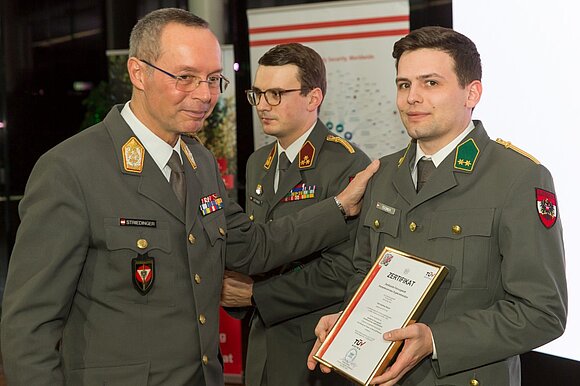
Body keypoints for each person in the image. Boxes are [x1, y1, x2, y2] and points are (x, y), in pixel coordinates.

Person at [0, 8, 379, 386]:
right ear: (138, 73)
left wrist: (338, 207)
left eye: (214, 79)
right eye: (186, 78)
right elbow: (29, 324)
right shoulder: (72, 169)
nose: (205, 95)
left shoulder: (198, 161)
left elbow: (252, 246)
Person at [307, 26, 567, 386]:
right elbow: (364, 272)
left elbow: (543, 312)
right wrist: (349, 320)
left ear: (471, 92)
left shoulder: (518, 177)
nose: (412, 98)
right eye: (403, 84)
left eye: (430, 83)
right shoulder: (383, 174)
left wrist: (436, 340)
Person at [220, 43, 370, 386]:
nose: (262, 105)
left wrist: (258, 295)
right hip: (262, 340)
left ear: (313, 98)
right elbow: (261, 247)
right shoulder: (259, 162)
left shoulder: (346, 163)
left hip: (313, 344)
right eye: (257, 93)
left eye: (275, 94)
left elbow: (345, 270)